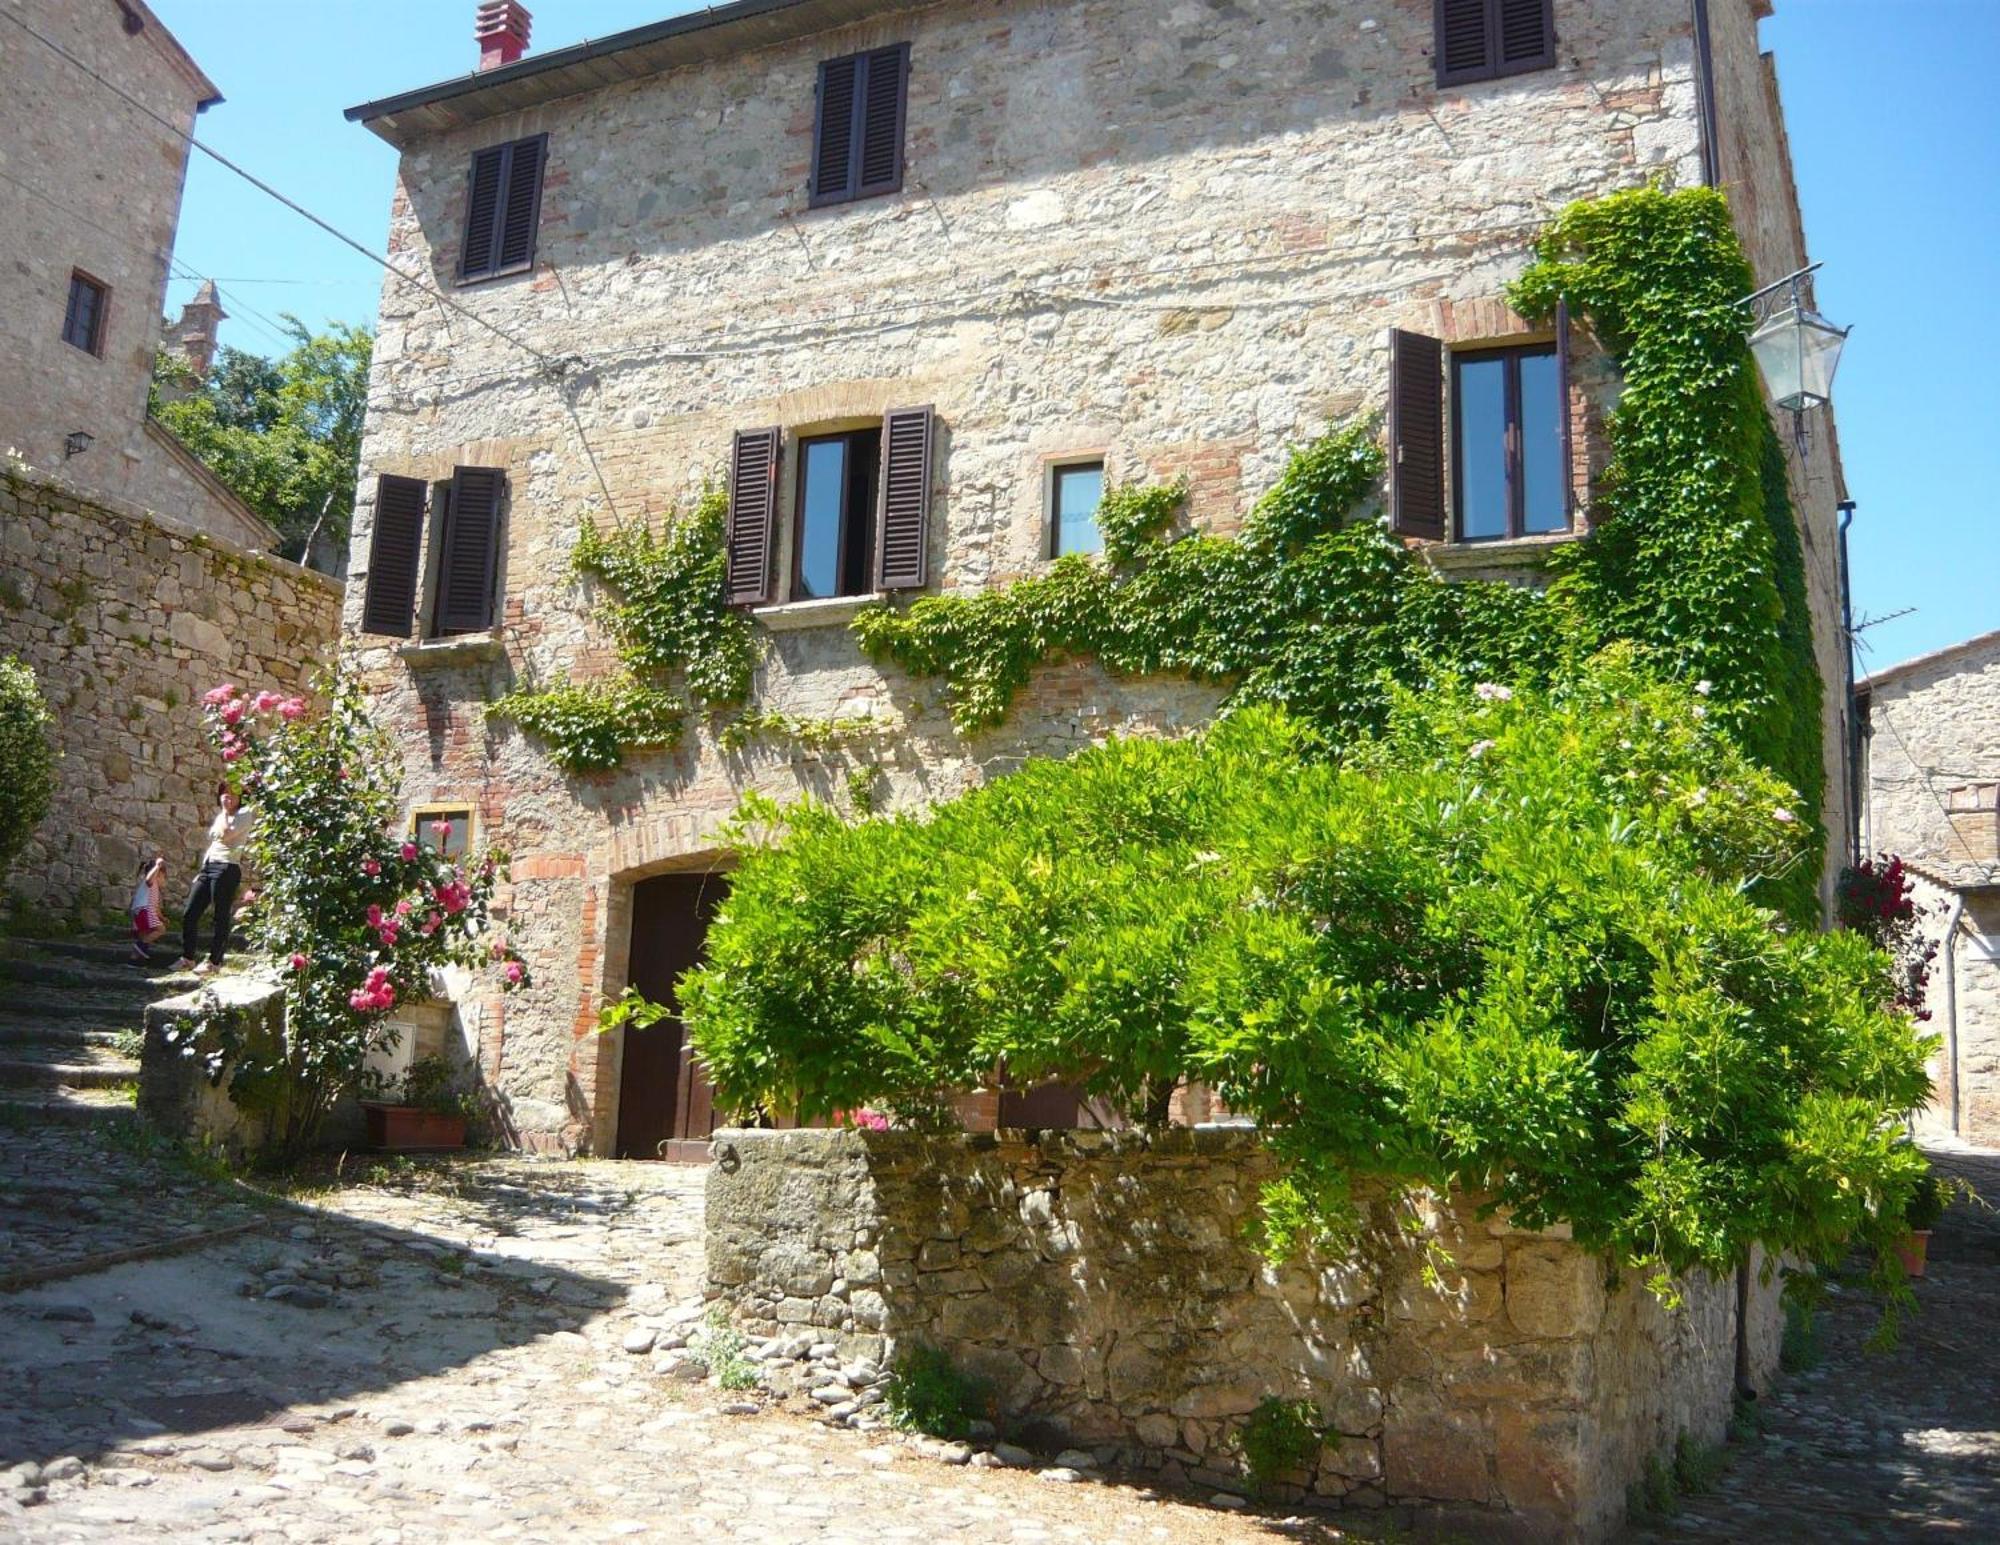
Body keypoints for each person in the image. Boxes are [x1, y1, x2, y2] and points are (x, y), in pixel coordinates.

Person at [174, 783, 255, 975]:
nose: (227, 798)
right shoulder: (221, 816)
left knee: (220, 916)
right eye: (224, 795)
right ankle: (188, 958)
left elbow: (226, 835)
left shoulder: (244, 814)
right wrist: (202, 869)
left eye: (232, 795)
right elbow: (213, 843)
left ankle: (214, 962)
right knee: (190, 913)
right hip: (209, 867)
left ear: (240, 798)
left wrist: (227, 813)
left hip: (227, 867)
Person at [128, 855, 167, 965]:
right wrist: (158, 866)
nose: (164, 881)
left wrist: (162, 917)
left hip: (139, 912)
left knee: (145, 936)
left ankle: (134, 961)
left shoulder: (154, 891)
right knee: (161, 930)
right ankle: (138, 947)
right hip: (144, 910)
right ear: (158, 875)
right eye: (164, 877)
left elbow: (156, 908)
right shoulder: (151, 883)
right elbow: (149, 878)